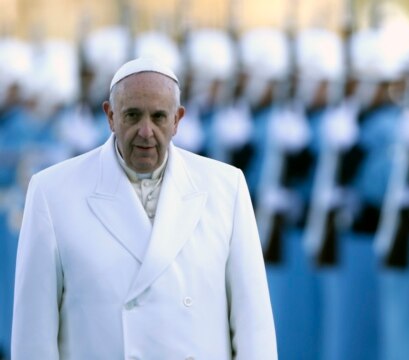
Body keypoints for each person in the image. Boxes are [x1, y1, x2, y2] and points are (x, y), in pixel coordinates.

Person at [11, 57, 277, 359]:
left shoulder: (226, 188)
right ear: (110, 116)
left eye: (159, 117)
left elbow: (253, 325)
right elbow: (33, 337)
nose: (146, 131)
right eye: (132, 116)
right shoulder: (52, 192)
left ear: (178, 119)